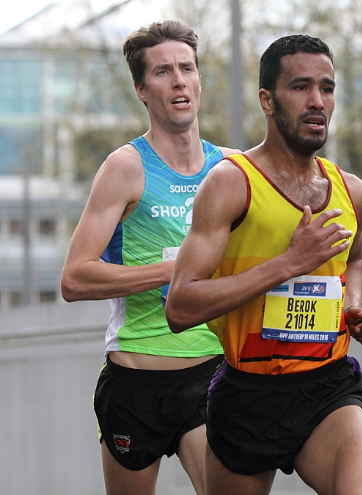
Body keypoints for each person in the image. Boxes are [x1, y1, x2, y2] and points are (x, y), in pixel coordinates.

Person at [165, 34, 362, 495]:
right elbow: (181, 307)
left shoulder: (354, 193)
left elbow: (355, 259)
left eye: (327, 88)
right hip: (248, 393)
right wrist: (287, 263)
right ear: (267, 99)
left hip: (328, 388)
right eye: (300, 87)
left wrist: (355, 308)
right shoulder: (230, 183)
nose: (317, 101)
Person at [60, 20, 239, 495]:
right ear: (142, 89)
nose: (178, 80)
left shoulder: (232, 170)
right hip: (135, 379)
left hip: (211, 373)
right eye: (162, 72)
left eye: (187, 68)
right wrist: (177, 272)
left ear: (199, 80)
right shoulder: (126, 167)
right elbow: (75, 279)